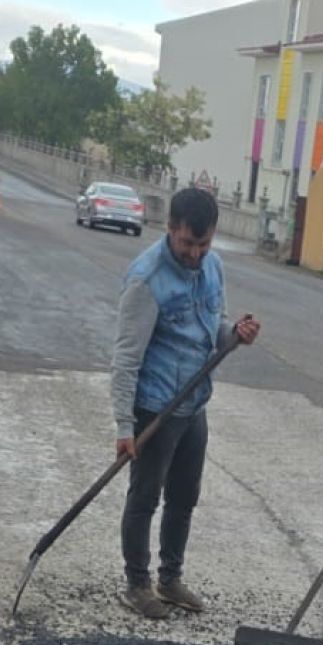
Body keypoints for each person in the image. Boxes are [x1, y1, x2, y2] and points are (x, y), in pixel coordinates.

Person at [112, 187, 260, 619]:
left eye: (204, 244)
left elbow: (215, 328)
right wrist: (124, 426)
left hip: (194, 403)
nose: (195, 254)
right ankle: (137, 584)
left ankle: (170, 579)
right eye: (187, 243)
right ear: (170, 229)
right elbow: (125, 358)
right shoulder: (146, 279)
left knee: (184, 497)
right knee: (144, 498)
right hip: (155, 407)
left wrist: (236, 334)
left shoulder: (213, 266)